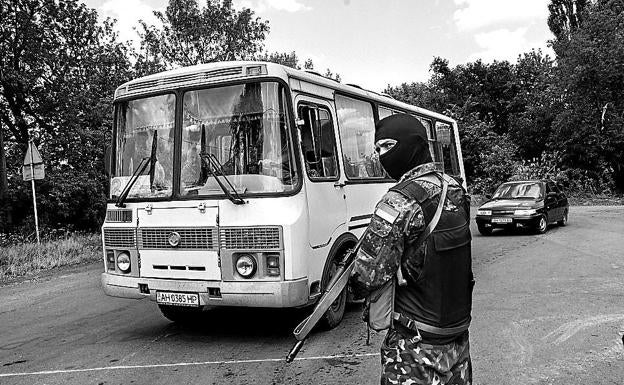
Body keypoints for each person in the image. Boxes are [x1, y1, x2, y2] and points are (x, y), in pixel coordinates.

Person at [349, 114, 474, 385]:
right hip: (457, 342)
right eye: (377, 149)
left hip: (415, 349)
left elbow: (367, 276)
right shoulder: (454, 188)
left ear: (411, 145)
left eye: (386, 146)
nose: (381, 155)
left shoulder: (399, 201)